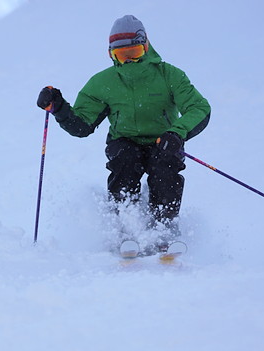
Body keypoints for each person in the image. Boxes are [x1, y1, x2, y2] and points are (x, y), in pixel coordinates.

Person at [37, 15, 210, 251]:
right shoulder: (103, 83)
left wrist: (177, 133)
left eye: (134, 53)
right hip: (125, 140)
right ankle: (126, 228)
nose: (128, 61)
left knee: (165, 166)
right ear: (111, 54)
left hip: (163, 141)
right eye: (121, 55)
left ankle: (164, 228)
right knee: (124, 161)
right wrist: (58, 108)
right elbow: (82, 125)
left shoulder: (170, 76)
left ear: (146, 46)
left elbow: (198, 108)